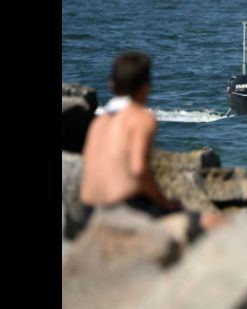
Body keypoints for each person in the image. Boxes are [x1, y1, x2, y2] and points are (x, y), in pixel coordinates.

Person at [79, 51, 223, 230]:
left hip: (88, 211)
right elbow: (139, 169)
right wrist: (164, 203)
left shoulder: (99, 122)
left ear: (112, 84)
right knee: (212, 221)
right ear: (146, 86)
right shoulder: (141, 118)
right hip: (121, 208)